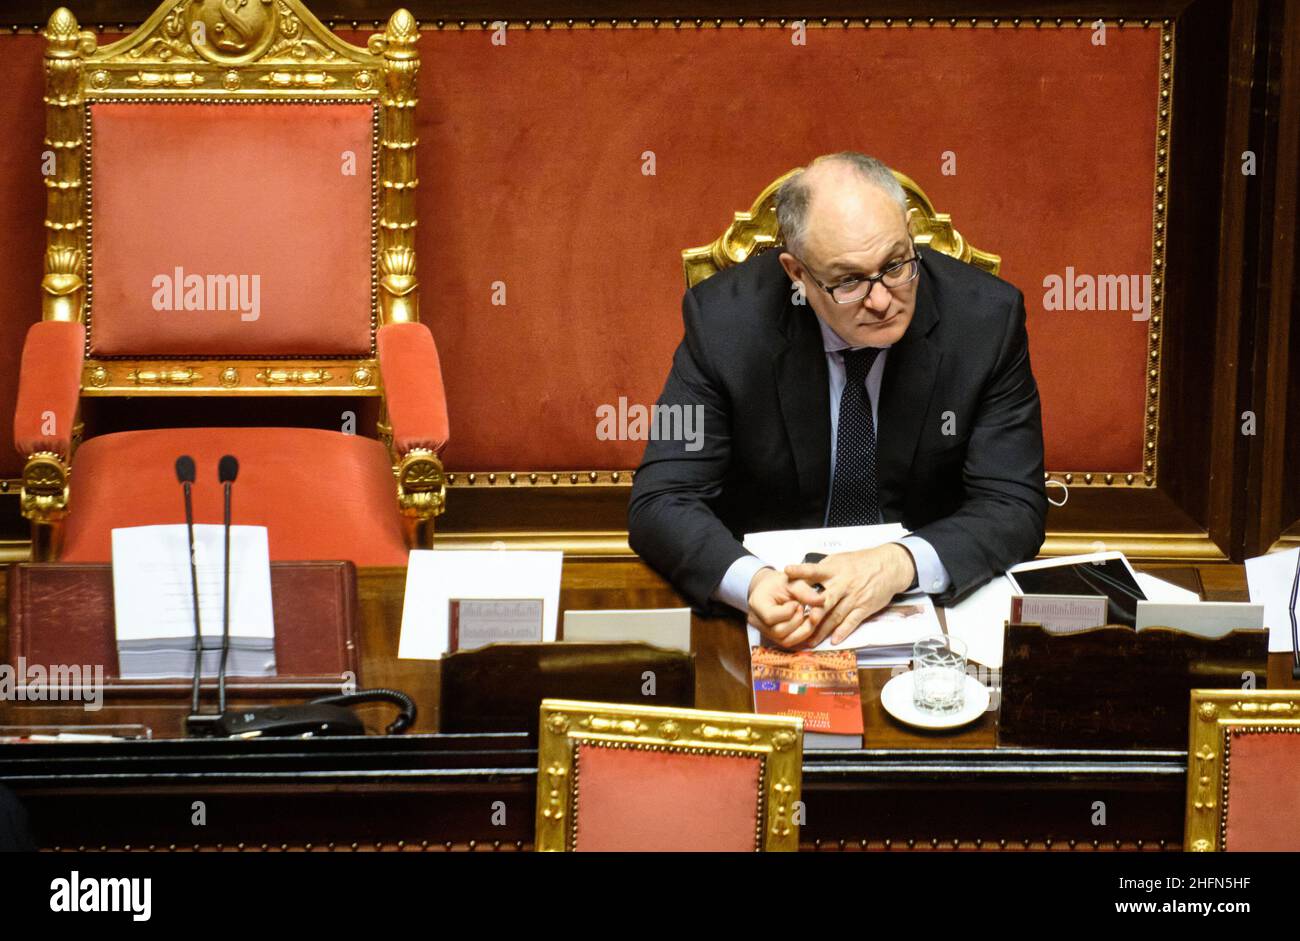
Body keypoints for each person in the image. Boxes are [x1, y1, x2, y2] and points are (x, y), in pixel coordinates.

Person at [628, 152, 1047, 649]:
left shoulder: (986, 321)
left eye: (895, 265)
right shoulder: (722, 322)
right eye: (848, 281)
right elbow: (661, 499)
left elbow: (1014, 503)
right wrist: (754, 583)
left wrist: (899, 563)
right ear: (797, 273)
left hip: (924, 611)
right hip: (783, 606)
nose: (881, 299)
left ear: (911, 234)